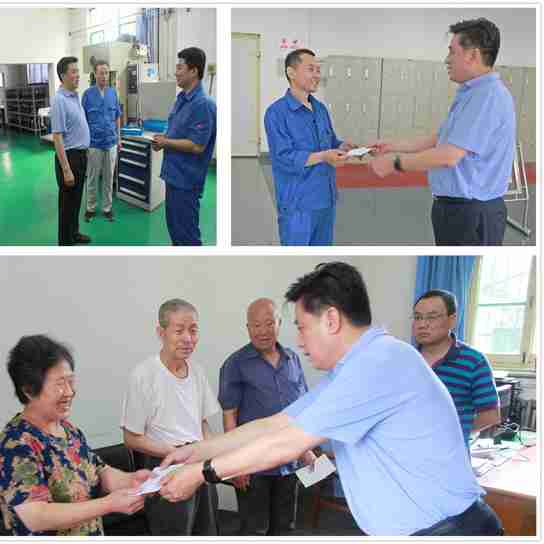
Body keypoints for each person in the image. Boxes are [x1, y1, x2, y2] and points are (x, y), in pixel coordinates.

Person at [158, 262, 503, 536]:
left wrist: (202, 473)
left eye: (302, 326)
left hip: (449, 530)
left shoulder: (378, 364)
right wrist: (197, 450)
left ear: (332, 320)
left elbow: (285, 444)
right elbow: (275, 424)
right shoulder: (356, 367)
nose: (299, 340)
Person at [369, 18, 515, 246]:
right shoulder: (471, 93)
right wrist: (392, 145)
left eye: (452, 52)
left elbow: (449, 155)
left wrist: (395, 163)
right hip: (458, 210)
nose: (447, 59)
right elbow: (441, 139)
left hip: (471, 213)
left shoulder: (487, 96)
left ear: (473, 55)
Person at [0, 335, 150, 536]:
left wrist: (133, 480)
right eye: (59, 384)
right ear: (29, 390)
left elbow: (100, 473)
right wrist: (108, 504)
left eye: (71, 381)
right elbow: (36, 516)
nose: (69, 392)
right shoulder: (15, 443)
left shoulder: (69, 431)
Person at [121, 299, 220, 535]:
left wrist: (213, 454)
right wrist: (175, 453)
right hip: (165, 467)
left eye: (193, 330)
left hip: (199, 463)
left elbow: (202, 423)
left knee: (208, 531)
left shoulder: (197, 371)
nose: (187, 338)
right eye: (179, 330)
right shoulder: (144, 375)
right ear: (161, 332)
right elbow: (131, 438)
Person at [219, 298, 312, 535]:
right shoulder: (235, 364)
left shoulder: (292, 359)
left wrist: (306, 450)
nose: (263, 331)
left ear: (279, 324)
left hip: (289, 463)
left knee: (284, 528)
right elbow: (229, 416)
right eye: (256, 325)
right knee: (255, 530)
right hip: (253, 465)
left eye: (269, 323)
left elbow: (302, 409)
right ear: (248, 328)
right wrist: (235, 465)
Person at [264, 48, 353, 246]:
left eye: (318, 70)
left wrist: (344, 146)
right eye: (311, 69)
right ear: (291, 72)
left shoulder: (320, 109)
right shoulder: (276, 113)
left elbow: (330, 142)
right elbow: (283, 157)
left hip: (326, 201)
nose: (317, 75)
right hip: (298, 205)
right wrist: (323, 157)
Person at [413, 289, 500, 444]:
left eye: (432, 317)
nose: (422, 324)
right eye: (418, 317)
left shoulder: (474, 361)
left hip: (451, 453)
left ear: (452, 320)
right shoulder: (406, 359)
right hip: (408, 451)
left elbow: (490, 415)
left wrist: (455, 434)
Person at [151, 47, 216, 246]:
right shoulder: (182, 99)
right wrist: (163, 139)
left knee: (187, 235)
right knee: (175, 229)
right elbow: (177, 131)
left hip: (186, 181)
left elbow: (197, 145)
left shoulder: (203, 104)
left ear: (194, 71)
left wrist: (166, 142)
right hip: (173, 176)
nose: (176, 72)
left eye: (180, 68)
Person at [52, 56, 91, 246]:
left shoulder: (74, 96)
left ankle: (74, 233)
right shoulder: (59, 100)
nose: (77, 75)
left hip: (80, 156)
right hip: (69, 158)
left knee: (76, 201)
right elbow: (57, 136)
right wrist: (66, 169)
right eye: (73, 71)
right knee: (67, 205)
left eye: (77, 71)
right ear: (63, 76)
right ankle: (65, 243)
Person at [82, 60, 121, 223]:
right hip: (94, 143)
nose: (104, 76)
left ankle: (107, 208)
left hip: (111, 142)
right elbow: (83, 120)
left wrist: (119, 138)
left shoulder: (113, 93)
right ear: (95, 74)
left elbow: (117, 116)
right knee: (92, 177)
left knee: (108, 177)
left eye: (106, 73)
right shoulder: (87, 94)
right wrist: (84, 142)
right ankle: (90, 208)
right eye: (101, 73)